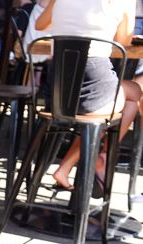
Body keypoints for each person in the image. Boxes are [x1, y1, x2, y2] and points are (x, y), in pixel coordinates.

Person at [35, 0, 141, 195]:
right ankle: (102, 157)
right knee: (133, 95)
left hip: (57, 94)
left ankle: (66, 167)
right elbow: (123, 40)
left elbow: (39, 24)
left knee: (102, 111)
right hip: (93, 85)